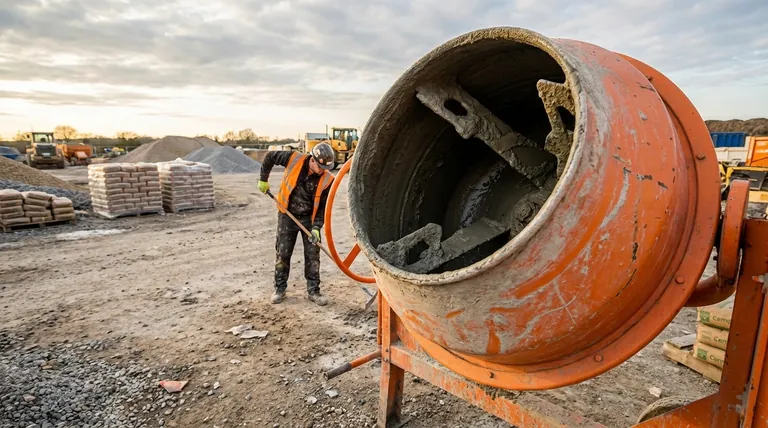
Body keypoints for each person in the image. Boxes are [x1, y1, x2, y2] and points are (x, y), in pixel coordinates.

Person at [258, 143, 335, 305]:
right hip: (287, 213)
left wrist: (316, 228)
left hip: (309, 219)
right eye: (319, 166)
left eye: (324, 167)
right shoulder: (293, 158)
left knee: (313, 255)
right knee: (283, 253)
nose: (322, 170)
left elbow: (322, 208)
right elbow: (270, 157)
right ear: (312, 159)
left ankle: (314, 291)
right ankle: (280, 289)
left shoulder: (327, 180)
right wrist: (263, 179)